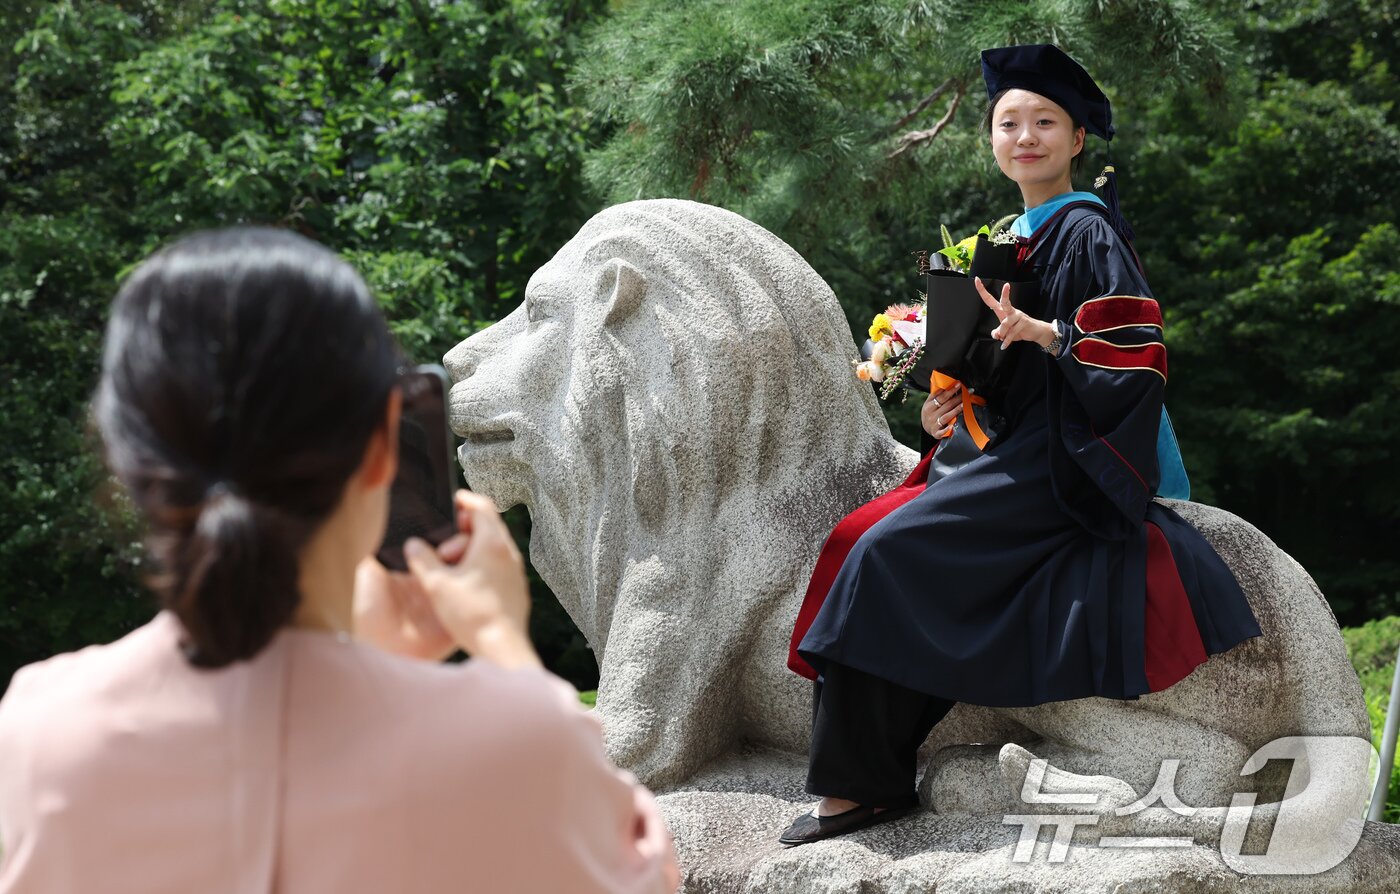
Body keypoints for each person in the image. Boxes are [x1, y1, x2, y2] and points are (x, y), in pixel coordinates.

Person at [0, 228, 680, 893]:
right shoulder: (512, 741)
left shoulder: (42, 737)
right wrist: (504, 649)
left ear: (129, 459)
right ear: (385, 444)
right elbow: (638, 873)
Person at [779, 44, 1262, 846]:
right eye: (1010, 123)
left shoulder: (1086, 231)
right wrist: (946, 403)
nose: (1026, 136)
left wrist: (1055, 334)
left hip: (1059, 455)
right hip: (998, 442)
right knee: (852, 535)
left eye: (1045, 122)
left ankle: (861, 787)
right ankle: (876, 760)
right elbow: (991, 364)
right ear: (991, 139)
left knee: (886, 554)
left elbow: (1138, 346)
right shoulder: (1003, 237)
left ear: (1077, 139)